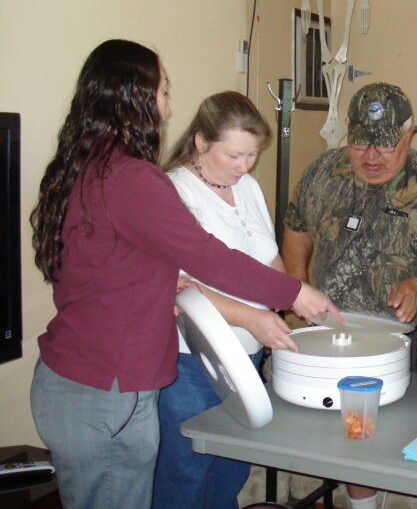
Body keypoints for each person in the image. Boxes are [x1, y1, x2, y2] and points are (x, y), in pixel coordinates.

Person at [28, 40, 340, 509]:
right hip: (105, 388)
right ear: (135, 96)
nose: (168, 107)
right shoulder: (134, 179)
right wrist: (295, 292)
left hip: (85, 377)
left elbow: (122, 272)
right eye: (163, 92)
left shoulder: (86, 167)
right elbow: (207, 258)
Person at [283, 82, 417, 509]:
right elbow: (296, 229)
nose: (371, 157)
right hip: (342, 344)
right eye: (360, 144)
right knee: (358, 441)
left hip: (414, 346)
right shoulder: (321, 173)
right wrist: (296, 288)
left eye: (384, 146)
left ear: (408, 133)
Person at [152, 92, 296, 508]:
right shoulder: (174, 192)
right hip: (192, 361)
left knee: (231, 466)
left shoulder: (247, 187)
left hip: (245, 355)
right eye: (234, 156)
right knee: (184, 473)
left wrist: (286, 301)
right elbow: (180, 285)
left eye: (251, 156)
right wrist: (254, 316)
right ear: (200, 142)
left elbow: (269, 258)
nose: (243, 166)